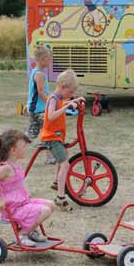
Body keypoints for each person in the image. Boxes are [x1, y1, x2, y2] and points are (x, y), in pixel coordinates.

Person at [0, 129, 54, 247]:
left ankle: (30, 231)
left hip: (23, 201)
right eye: (23, 146)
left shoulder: (16, 164)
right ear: (13, 150)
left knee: (51, 204)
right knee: (45, 210)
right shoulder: (6, 168)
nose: (26, 149)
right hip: (13, 208)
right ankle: (22, 235)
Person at [40, 69, 85, 212]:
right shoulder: (53, 99)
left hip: (57, 136)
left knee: (64, 154)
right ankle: (60, 197)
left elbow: (63, 102)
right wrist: (67, 106)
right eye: (70, 92)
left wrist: (73, 100)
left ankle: (56, 182)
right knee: (65, 164)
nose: (70, 95)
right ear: (63, 86)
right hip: (51, 138)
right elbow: (51, 116)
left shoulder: (59, 98)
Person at [26, 45, 56, 164]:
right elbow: (40, 92)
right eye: (49, 59)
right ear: (43, 59)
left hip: (38, 109)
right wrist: (50, 103)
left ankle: (49, 157)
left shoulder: (37, 72)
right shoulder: (39, 74)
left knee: (39, 132)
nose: (50, 61)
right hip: (39, 110)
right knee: (39, 132)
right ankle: (13, 146)